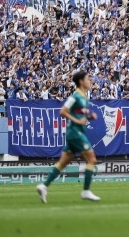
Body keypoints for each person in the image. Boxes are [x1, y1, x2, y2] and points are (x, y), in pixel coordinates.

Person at [36, 70, 100, 203]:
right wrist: (77, 121)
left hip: (76, 133)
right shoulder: (75, 96)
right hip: (75, 133)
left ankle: (43, 186)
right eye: (88, 79)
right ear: (81, 81)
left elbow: (79, 112)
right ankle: (86, 191)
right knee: (91, 159)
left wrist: (89, 116)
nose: (90, 81)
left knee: (63, 163)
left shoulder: (83, 97)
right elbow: (63, 111)